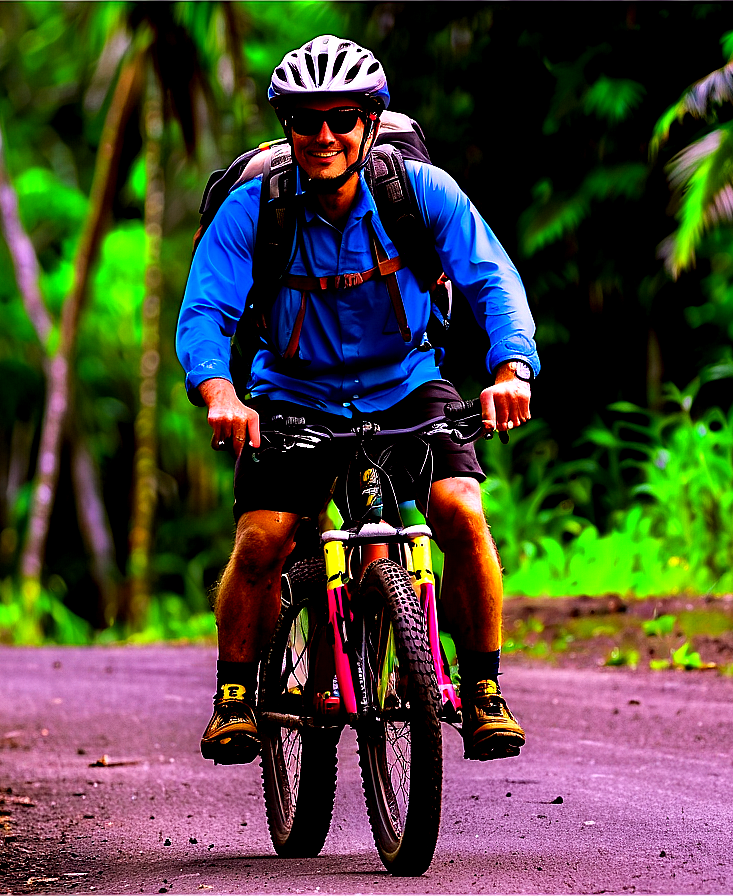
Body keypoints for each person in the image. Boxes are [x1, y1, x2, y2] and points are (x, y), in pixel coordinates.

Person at [176, 35, 540, 764]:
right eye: (307, 120)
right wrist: (221, 394)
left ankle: (484, 690)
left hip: (406, 382)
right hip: (292, 392)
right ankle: (234, 697)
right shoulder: (257, 209)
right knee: (264, 540)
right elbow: (205, 313)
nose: (324, 136)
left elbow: (490, 279)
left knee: (461, 512)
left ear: (370, 121)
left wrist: (511, 371)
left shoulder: (418, 194)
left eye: (342, 118)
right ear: (287, 126)